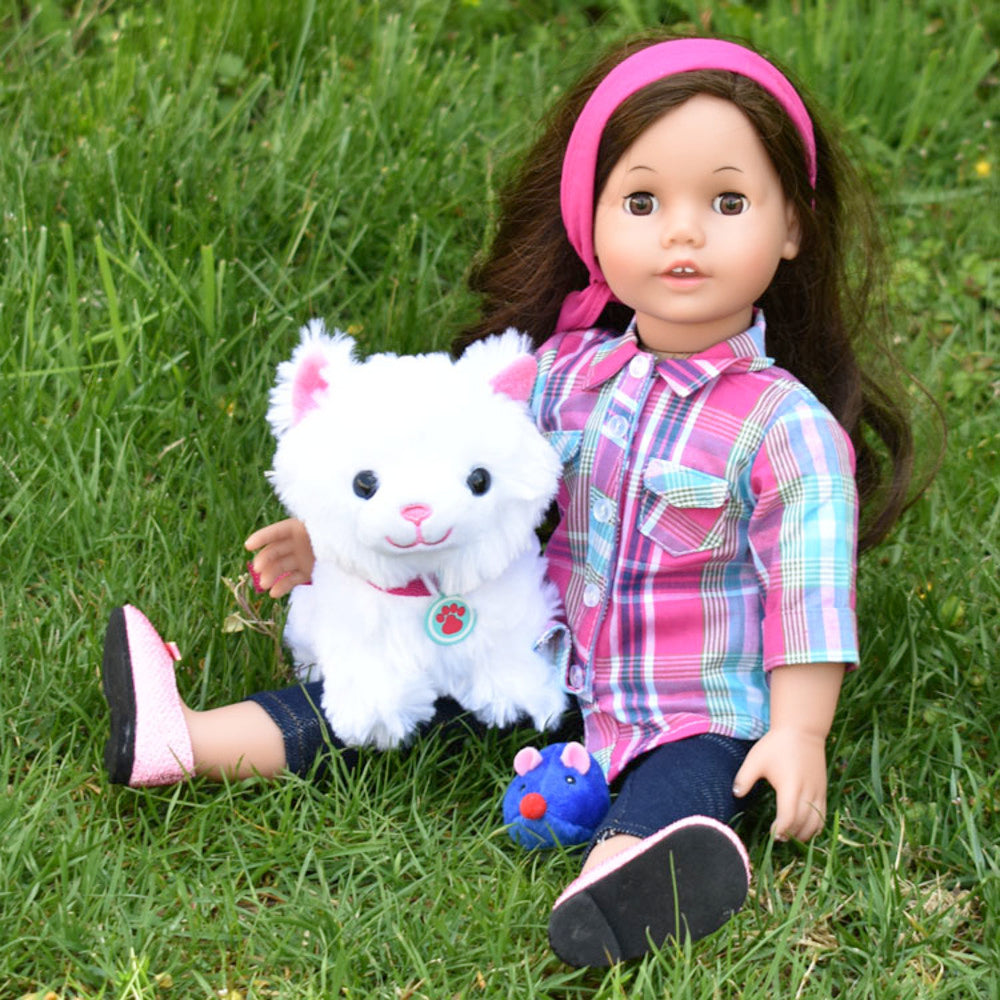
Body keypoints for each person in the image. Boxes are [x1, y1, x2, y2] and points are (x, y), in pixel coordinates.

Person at [101, 33, 919, 967]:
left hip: (687, 700)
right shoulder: (562, 374)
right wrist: (331, 538)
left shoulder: (786, 428)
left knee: (689, 771)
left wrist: (799, 730)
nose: (683, 232)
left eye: (728, 202)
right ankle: (188, 740)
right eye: (642, 202)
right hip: (537, 656)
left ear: (791, 227)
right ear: (589, 223)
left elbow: (808, 596)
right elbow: (442, 487)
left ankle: (625, 875)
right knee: (389, 686)